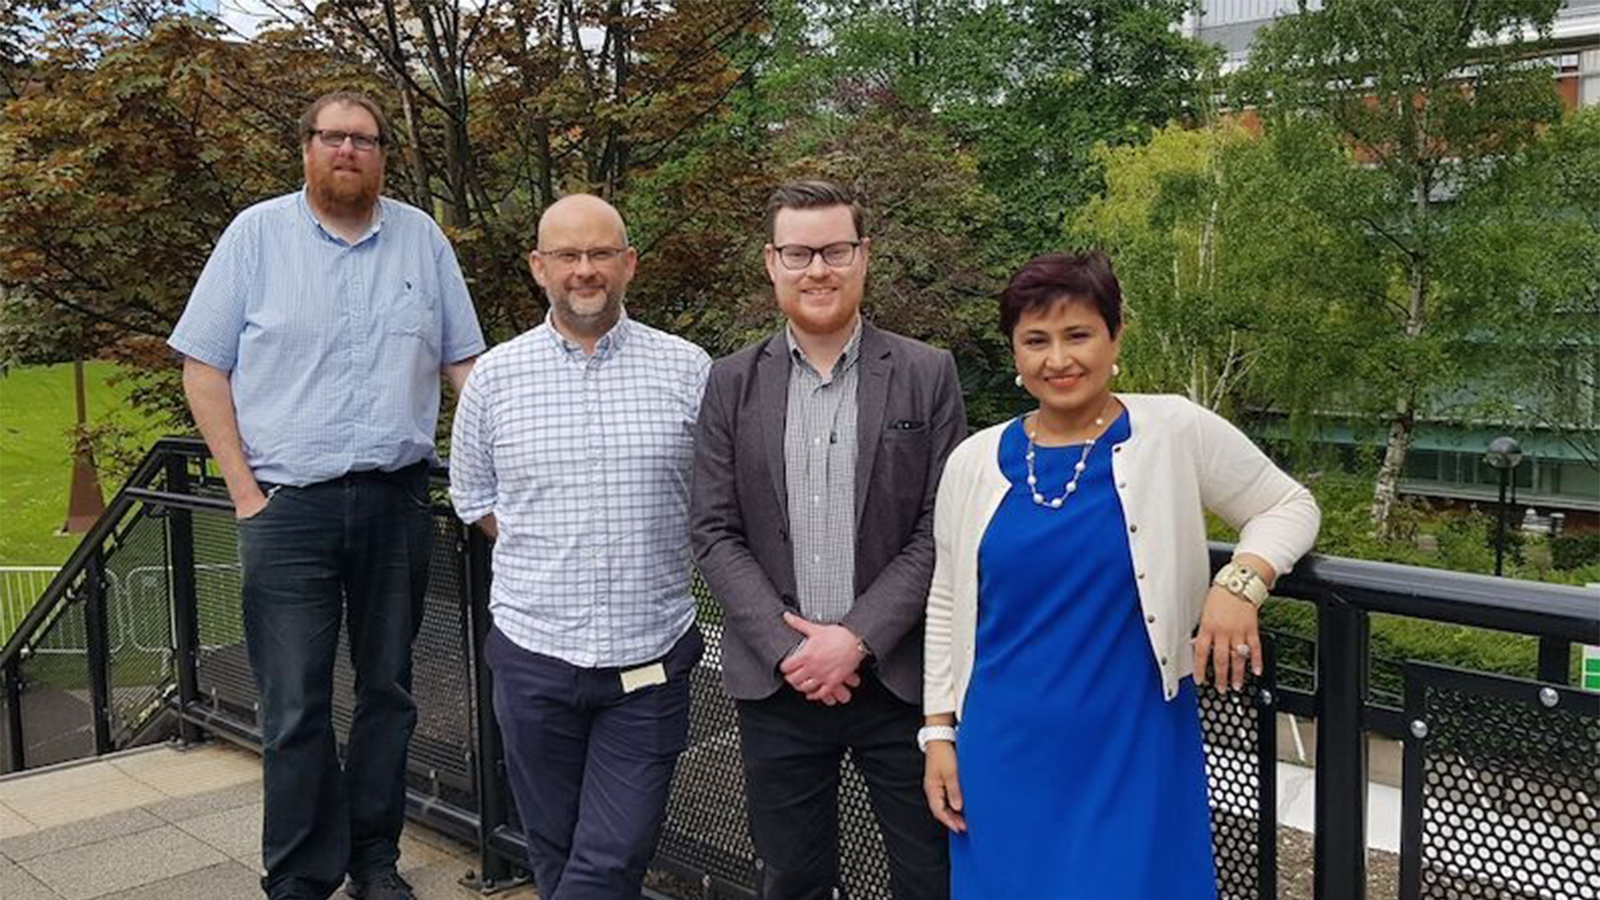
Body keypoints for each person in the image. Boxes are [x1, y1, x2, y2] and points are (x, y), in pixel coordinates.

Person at [920, 251, 1321, 898]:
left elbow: (1287, 505)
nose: (1059, 359)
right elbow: (945, 602)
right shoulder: (973, 461)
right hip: (1002, 746)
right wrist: (938, 734)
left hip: (1133, 742)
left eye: (1078, 334)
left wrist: (1240, 581)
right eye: (1036, 341)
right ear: (1016, 355)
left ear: (1114, 338)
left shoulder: (1172, 430)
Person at [169, 91, 486, 900]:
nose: (349, 150)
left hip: (397, 504)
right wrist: (243, 491)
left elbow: (467, 370)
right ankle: (302, 876)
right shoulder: (257, 236)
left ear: (383, 154)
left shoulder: (422, 239)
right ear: (306, 147)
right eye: (333, 136)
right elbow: (204, 367)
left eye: (365, 139)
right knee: (296, 704)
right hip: (287, 510)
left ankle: (373, 864)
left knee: (389, 692)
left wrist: (513, 462)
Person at [690, 179, 966, 900]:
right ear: (770, 262)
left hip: (898, 681)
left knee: (929, 877)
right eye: (799, 253)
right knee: (791, 880)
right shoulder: (729, 384)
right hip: (777, 687)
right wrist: (794, 652)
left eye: (835, 250)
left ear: (864, 256)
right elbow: (714, 531)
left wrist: (856, 638)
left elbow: (941, 527)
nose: (818, 269)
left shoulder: (926, 373)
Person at [448, 193, 711, 900]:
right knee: (556, 853)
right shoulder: (496, 379)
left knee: (611, 856)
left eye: (601, 254)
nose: (585, 270)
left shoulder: (689, 370)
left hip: (649, 661)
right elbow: (474, 498)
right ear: (540, 267)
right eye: (568, 255)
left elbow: (717, 499)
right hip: (535, 659)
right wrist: (554, 546)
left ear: (629, 264)